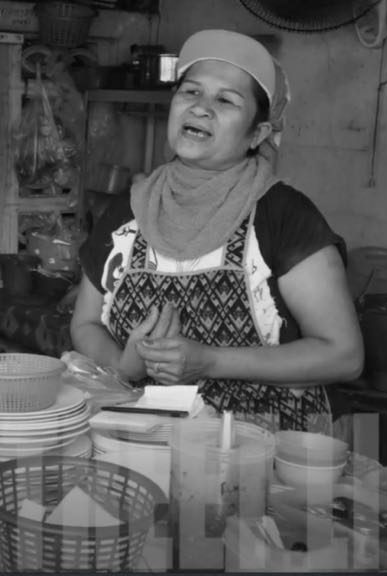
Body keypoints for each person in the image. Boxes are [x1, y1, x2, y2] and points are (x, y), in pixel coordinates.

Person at [71, 30, 363, 434]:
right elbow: (85, 324)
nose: (201, 108)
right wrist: (125, 363)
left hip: (264, 454)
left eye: (225, 100)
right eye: (190, 91)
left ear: (257, 135)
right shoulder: (130, 208)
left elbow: (343, 355)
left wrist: (210, 360)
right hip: (143, 440)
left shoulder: (283, 216)